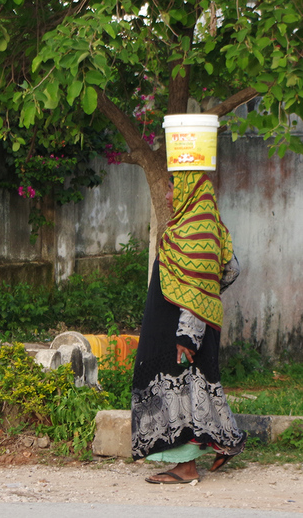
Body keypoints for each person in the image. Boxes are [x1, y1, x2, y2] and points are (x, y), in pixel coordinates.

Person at [131, 171, 246, 484]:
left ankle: (185, 467)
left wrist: (187, 334)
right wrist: (208, 297)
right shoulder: (209, 226)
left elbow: (197, 284)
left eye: (171, 190)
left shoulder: (193, 230)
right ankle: (225, 441)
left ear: (187, 192)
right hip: (189, 323)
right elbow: (231, 269)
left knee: (179, 393)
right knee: (198, 388)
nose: (168, 197)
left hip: (180, 330)